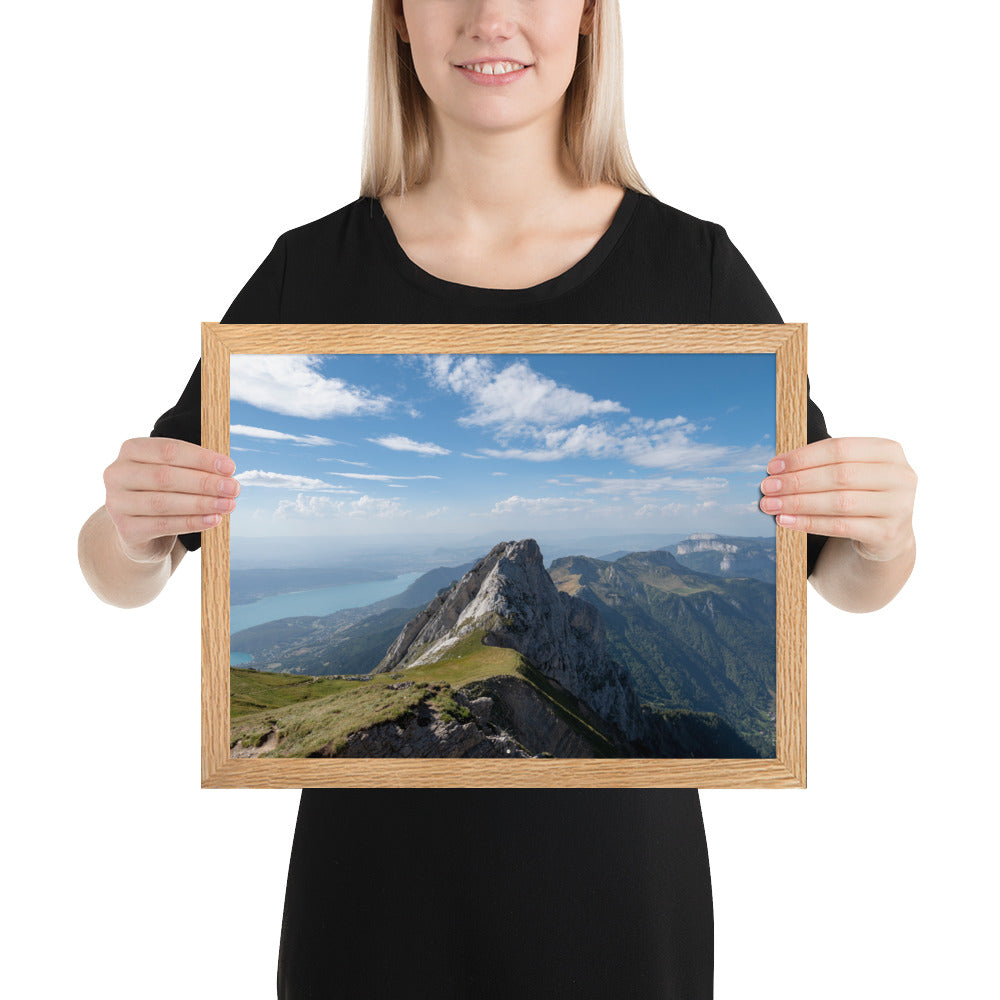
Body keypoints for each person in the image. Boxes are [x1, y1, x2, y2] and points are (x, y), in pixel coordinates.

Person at [78, 1, 917, 996]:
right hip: (371, 900)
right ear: (396, 18)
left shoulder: (692, 269)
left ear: (591, 18)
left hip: (617, 902)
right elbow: (120, 568)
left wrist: (884, 531)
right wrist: (130, 531)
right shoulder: (311, 271)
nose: (491, 18)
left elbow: (845, 578)